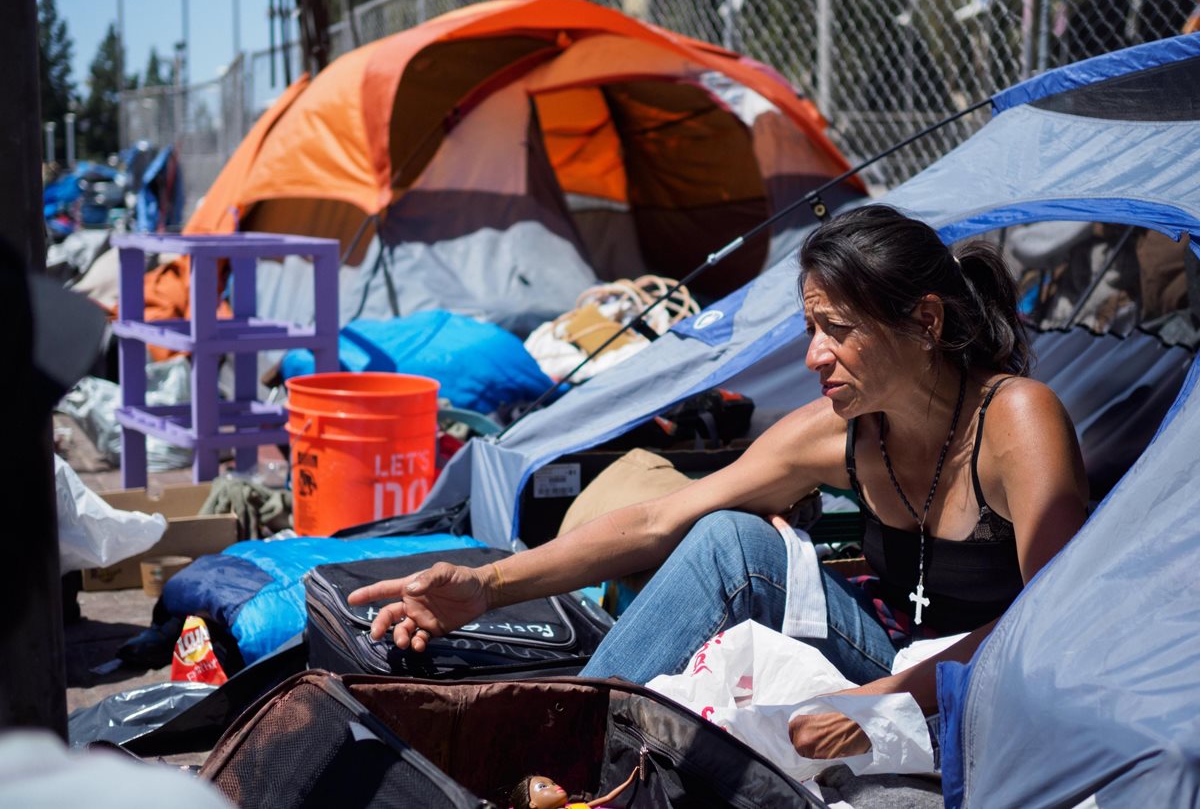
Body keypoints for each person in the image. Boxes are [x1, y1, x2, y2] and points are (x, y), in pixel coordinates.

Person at [348, 204, 1089, 760]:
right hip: (893, 664)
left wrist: (876, 707)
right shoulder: (844, 432)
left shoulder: (1017, 420)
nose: (813, 357)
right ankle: (556, 754)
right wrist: (490, 588)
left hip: (994, 686)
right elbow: (658, 522)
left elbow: (1052, 624)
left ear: (925, 322)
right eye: (810, 329)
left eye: (838, 328)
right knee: (730, 540)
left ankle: (553, 756)